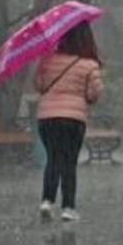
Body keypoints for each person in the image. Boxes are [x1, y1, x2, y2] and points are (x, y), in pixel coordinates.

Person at [35, 22, 104, 222]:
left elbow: (38, 85)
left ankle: (47, 200)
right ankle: (68, 206)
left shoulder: (47, 60)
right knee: (69, 162)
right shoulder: (89, 65)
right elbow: (94, 94)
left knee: (53, 157)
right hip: (73, 119)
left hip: (47, 118)